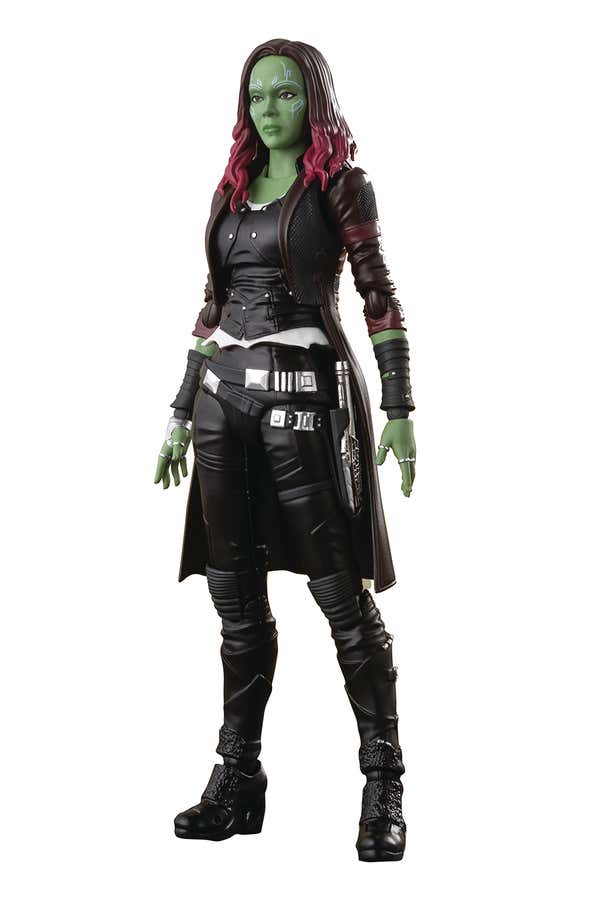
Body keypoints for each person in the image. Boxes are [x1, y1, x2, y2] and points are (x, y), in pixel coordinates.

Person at [154, 38, 416, 862]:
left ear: (315, 101)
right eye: (257, 95)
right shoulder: (230, 190)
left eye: (286, 94)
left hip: (305, 406)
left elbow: (378, 294)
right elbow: (212, 307)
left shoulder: (338, 185)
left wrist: (400, 406)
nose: (269, 109)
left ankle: (383, 783)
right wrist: (177, 411)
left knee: (342, 596)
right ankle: (238, 777)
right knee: (233, 599)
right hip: (220, 408)